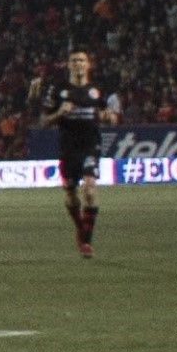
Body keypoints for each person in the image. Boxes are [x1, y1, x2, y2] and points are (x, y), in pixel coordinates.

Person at [39, 51, 120, 258]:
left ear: (89, 64)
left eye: (82, 60)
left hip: (90, 144)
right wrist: (59, 113)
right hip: (68, 146)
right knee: (70, 191)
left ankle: (86, 241)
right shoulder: (58, 90)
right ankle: (80, 227)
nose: (78, 64)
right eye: (74, 61)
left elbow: (110, 117)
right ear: (68, 65)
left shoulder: (97, 90)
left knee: (90, 190)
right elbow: (43, 122)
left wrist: (108, 117)